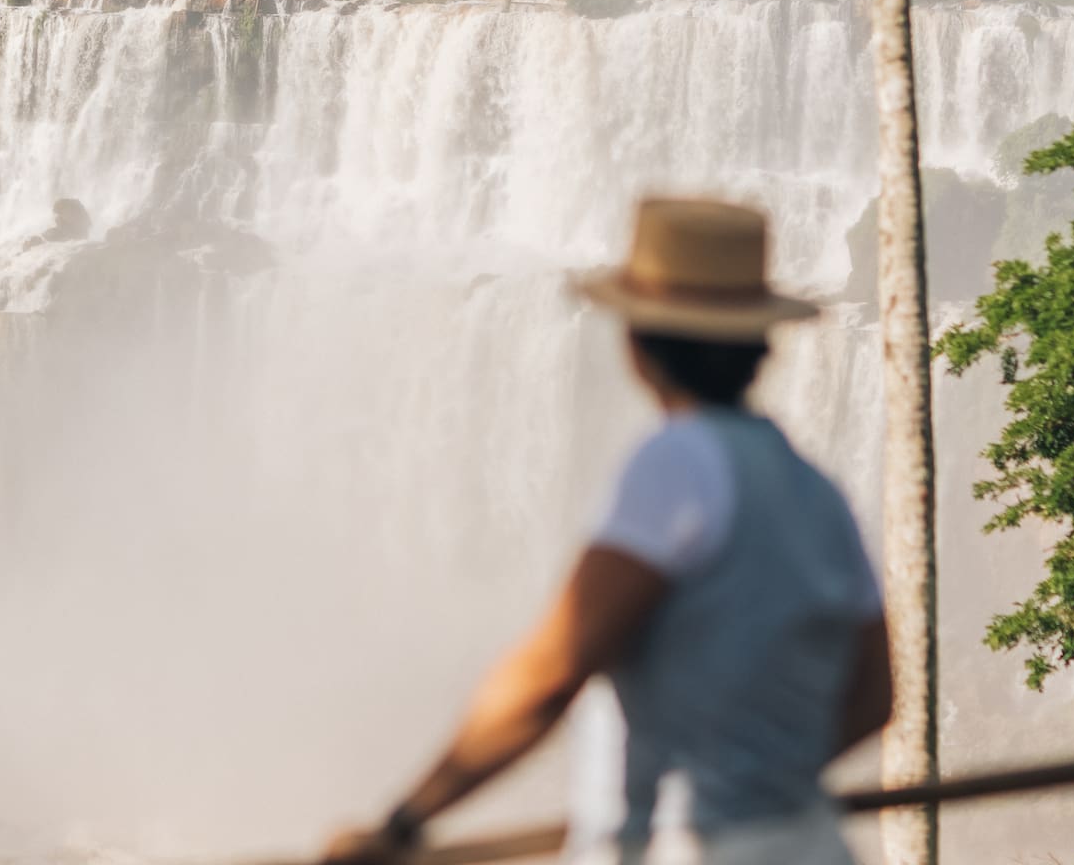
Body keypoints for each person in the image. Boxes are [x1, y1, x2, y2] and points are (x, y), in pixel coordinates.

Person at [328, 195, 891, 865]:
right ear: (759, 344)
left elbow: (551, 673)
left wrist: (403, 823)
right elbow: (876, 696)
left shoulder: (677, 465)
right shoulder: (817, 490)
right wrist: (763, 777)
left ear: (638, 344)